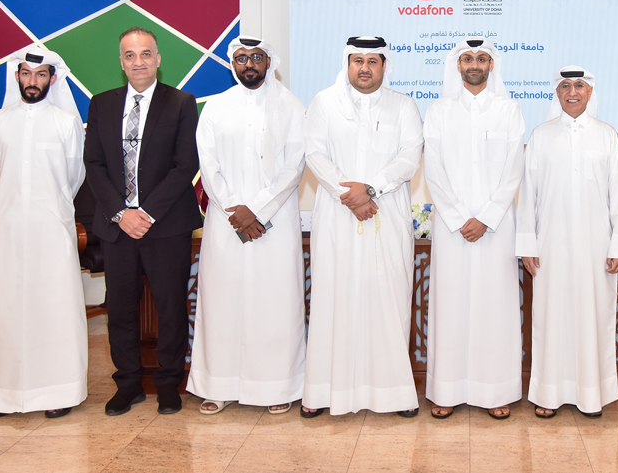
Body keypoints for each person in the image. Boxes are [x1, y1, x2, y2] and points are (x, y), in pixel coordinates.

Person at [301, 36, 424, 417]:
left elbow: (409, 157)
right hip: (338, 216)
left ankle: (394, 394)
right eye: (358, 60)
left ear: (385, 66)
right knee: (333, 299)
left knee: (387, 299)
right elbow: (314, 153)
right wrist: (349, 193)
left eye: (373, 61)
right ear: (347, 63)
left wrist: (370, 189)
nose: (365, 68)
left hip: (386, 216)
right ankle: (323, 393)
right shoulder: (324, 102)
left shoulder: (403, 105)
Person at [84, 27, 201, 416]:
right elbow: (94, 165)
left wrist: (145, 214)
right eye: (130, 56)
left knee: (170, 306)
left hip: (165, 225)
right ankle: (128, 383)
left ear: (158, 58)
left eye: (146, 54)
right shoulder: (101, 104)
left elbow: (186, 165)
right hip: (116, 227)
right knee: (119, 308)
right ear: (121, 62)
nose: (139, 62)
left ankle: (169, 384)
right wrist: (121, 213)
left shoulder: (182, 103)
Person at [187, 36, 307, 415]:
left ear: (269, 61)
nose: (249, 64)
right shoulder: (216, 108)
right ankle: (218, 385)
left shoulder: (290, 106)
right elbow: (208, 166)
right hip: (227, 224)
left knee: (273, 304)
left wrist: (256, 210)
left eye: (257, 57)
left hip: (274, 221)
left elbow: (294, 166)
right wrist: (233, 210)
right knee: (222, 303)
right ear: (232, 63)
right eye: (241, 58)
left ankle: (277, 387)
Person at [0, 46, 87, 420]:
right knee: (3, 308)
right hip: (7, 229)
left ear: (52, 78)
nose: (32, 82)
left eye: (40, 75)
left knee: (52, 308)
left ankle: (57, 391)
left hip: (52, 231)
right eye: (25, 74)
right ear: (16, 77)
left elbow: (73, 178)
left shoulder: (67, 123)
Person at [518, 66, 618, 418]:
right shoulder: (541, 135)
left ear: (590, 92)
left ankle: (591, 396)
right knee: (551, 318)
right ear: (557, 92)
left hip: (597, 247)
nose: (572, 92)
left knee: (593, 316)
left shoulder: (607, 136)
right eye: (565, 85)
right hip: (550, 245)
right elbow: (528, 195)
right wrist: (527, 244)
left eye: (579, 85)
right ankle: (548, 395)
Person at [423, 38, 524, 421]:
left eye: (482, 58)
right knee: (450, 307)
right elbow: (432, 168)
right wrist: (457, 216)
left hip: (494, 229)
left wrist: (486, 217)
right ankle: (446, 391)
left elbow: (514, 169)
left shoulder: (509, 109)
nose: (475, 64)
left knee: (494, 309)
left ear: (491, 65)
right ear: (458, 65)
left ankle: (495, 391)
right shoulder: (438, 110)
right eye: (468, 58)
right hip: (452, 230)